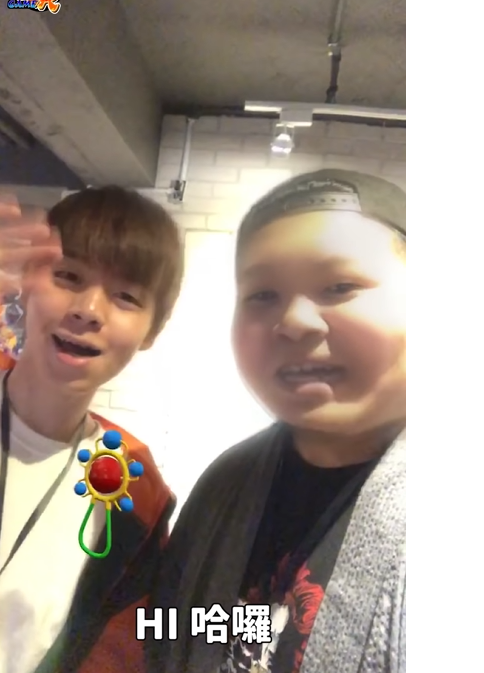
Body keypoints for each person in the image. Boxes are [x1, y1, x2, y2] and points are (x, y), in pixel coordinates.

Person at [148, 169, 407, 673]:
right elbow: (176, 629)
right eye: (263, 295)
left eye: (339, 286)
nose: (294, 322)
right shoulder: (228, 484)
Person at [0, 186, 184, 673]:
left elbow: (131, 639)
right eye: (68, 276)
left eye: (126, 296)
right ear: (26, 282)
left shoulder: (134, 487)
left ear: (152, 330)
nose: (89, 309)